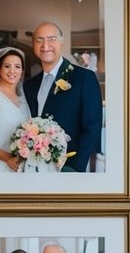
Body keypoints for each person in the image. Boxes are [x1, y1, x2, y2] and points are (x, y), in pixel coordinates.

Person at [24, 21, 103, 172]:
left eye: (51, 39)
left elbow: (92, 128)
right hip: (35, 167)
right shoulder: (29, 85)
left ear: (62, 43)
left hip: (69, 167)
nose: (45, 45)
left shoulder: (84, 78)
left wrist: (74, 168)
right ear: (34, 45)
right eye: (39, 40)